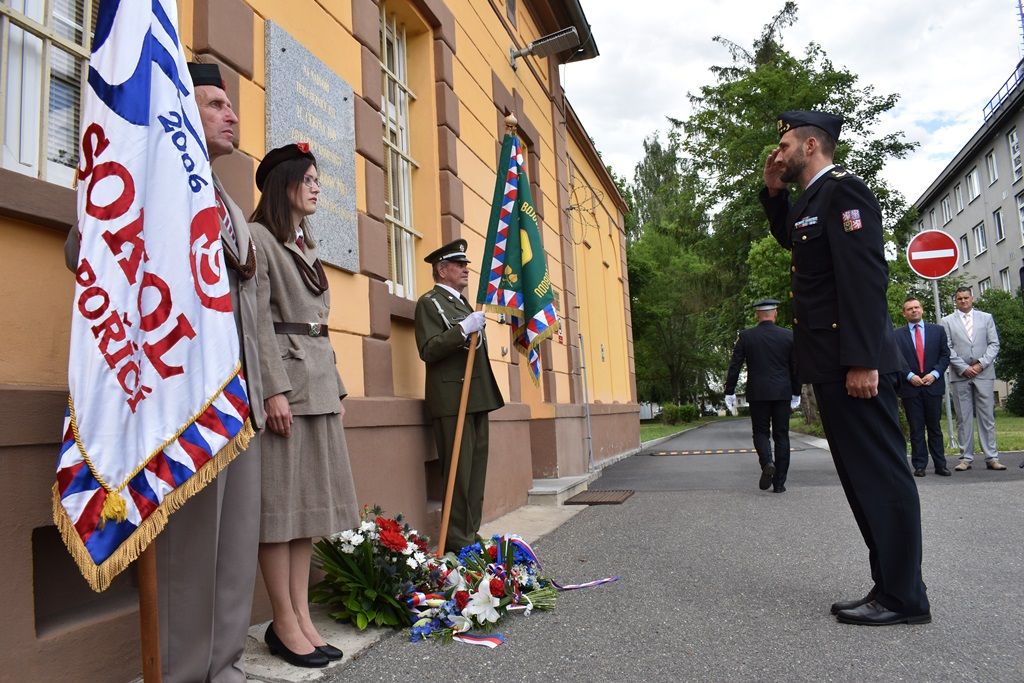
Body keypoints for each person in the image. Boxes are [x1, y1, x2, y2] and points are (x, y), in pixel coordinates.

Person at [64, 61, 265, 682]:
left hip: (236, 390)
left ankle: (224, 662)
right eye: (213, 104)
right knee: (188, 552)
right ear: (179, 114)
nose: (231, 113)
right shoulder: (147, 177)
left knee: (235, 543)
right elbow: (87, 249)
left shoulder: (229, 199)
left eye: (229, 104)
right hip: (179, 394)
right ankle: (181, 672)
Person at [761, 110, 930, 626]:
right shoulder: (813, 200)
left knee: (880, 474)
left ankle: (905, 598)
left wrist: (861, 360)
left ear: (811, 146)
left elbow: (863, 279)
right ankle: (891, 586)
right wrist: (772, 191)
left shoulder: (845, 191)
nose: (779, 153)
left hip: (853, 363)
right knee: (862, 479)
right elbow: (795, 239)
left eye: (786, 145)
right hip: (832, 363)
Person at [249, 143, 360, 668]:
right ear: (285, 183)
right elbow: (255, 323)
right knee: (279, 510)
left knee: (307, 509)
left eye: (319, 179)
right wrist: (271, 388)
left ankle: (300, 615)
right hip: (285, 389)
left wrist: (335, 389)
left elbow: (318, 327)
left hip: (315, 385)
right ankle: (283, 621)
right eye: (309, 178)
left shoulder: (304, 245)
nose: (317, 187)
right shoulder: (258, 240)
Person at [414, 240, 504, 554]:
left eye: (465, 264)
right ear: (442, 269)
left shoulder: (463, 303)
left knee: (476, 472)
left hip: (477, 395)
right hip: (453, 398)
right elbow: (428, 349)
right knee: (459, 472)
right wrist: (462, 330)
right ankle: (457, 540)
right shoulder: (430, 303)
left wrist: (466, 323)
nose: (466, 269)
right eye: (459, 264)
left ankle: (469, 533)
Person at [724, 299, 801, 493]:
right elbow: (796, 366)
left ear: (757, 315)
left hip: (758, 392)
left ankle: (767, 462)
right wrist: (796, 391)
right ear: (774, 313)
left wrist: (730, 391)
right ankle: (779, 484)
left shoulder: (746, 337)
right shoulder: (789, 336)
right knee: (781, 435)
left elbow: (735, 365)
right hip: (782, 392)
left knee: (760, 432)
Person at [940, 287, 1005, 471]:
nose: (963, 301)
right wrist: (963, 367)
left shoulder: (986, 318)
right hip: (960, 375)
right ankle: (965, 458)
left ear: (972, 298)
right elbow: (947, 347)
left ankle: (992, 457)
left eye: (966, 297)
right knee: (963, 417)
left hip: (983, 373)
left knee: (987, 417)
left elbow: (994, 344)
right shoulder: (947, 321)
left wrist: (980, 364)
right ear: (956, 301)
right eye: (959, 298)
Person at [895, 297, 951, 477]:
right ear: (904, 313)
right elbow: (896, 359)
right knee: (916, 428)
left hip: (932, 386)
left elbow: (945, 356)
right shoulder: (897, 335)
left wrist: (934, 374)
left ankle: (940, 465)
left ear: (922, 310)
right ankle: (919, 465)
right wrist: (909, 376)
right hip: (910, 388)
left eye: (917, 307)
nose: (914, 310)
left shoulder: (938, 331)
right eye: (909, 308)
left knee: (934, 427)